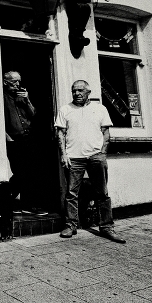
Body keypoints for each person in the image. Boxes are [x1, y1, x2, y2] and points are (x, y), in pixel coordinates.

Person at [55, 79, 125, 242]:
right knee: (71, 193)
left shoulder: (100, 109)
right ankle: (71, 225)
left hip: (96, 157)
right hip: (74, 157)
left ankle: (107, 227)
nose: (76, 93)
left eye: (80, 90)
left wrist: (102, 154)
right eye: (74, 91)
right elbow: (60, 134)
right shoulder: (65, 109)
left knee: (102, 193)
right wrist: (64, 155)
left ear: (88, 92)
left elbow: (105, 133)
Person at [3, 70, 46, 216]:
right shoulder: (2, 98)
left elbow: (33, 114)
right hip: (14, 140)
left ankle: (28, 205)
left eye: (19, 81)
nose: (18, 84)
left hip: (28, 138)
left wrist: (27, 100)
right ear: (5, 82)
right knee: (20, 172)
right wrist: (8, 138)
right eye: (14, 81)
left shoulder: (22, 96)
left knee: (33, 171)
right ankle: (7, 199)